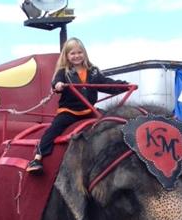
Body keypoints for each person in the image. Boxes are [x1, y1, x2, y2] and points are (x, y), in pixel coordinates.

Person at [26, 38, 132, 174]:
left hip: (89, 110)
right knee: (54, 129)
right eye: (73, 53)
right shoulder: (64, 72)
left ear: (84, 53)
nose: (77, 56)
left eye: (79, 52)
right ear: (67, 56)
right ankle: (37, 158)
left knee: (110, 120)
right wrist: (58, 85)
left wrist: (124, 85)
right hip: (70, 111)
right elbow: (56, 82)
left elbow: (106, 83)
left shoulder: (93, 71)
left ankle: (120, 152)